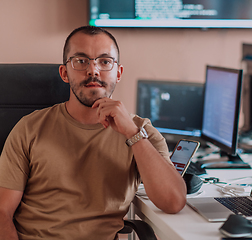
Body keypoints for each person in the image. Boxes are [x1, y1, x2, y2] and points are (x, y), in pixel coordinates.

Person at [0, 26, 187, 240]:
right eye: (81, 61)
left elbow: (173, 202)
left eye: (105, 61)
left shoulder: (141, 132)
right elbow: (2, 213)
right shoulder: (29, 128)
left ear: (118, 73)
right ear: (64, 73)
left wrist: (133, 134)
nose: (93, 71)